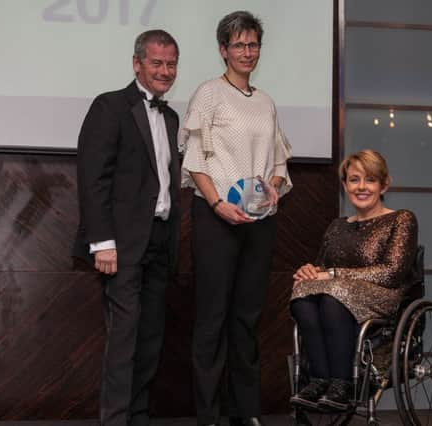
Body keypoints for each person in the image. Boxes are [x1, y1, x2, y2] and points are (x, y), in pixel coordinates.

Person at [179, 11, 292, 426]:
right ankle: (209, 416)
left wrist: (273, 188)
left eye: (253, 44)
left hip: (260, 222)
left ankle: (247, 414)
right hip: (216, 219)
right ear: (223, 50)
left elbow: (279, 161)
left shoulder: (266, 102)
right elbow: (194, 161)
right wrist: (216, 204)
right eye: (239, 45)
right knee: (212, 319)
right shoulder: (208, 94)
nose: (248, 52)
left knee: (247, 318)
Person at [72, 30, 181, 426]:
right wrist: (102, 242)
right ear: (137, 63)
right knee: (124, 339)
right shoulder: (109, 107)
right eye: (156, 63)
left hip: (159, 242)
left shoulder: (170, 117)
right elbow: (92, 178)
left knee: (150, 339)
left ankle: (137, 417)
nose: (165, 71)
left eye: (171, 64)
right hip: (119, 245)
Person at [289, 149, 418, 411]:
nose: (361, 187)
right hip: (336, 295)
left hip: (383, 294)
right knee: (303, 294)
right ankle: (319, 380)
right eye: (354, 179)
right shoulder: (337, 226)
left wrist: (334, 275)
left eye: (370, 180)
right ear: (345, 184)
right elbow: (322, 268)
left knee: (331, 297)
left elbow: (391, 272)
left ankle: (342, 384)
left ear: (384, 184)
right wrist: (308, 271)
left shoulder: (401, 219)